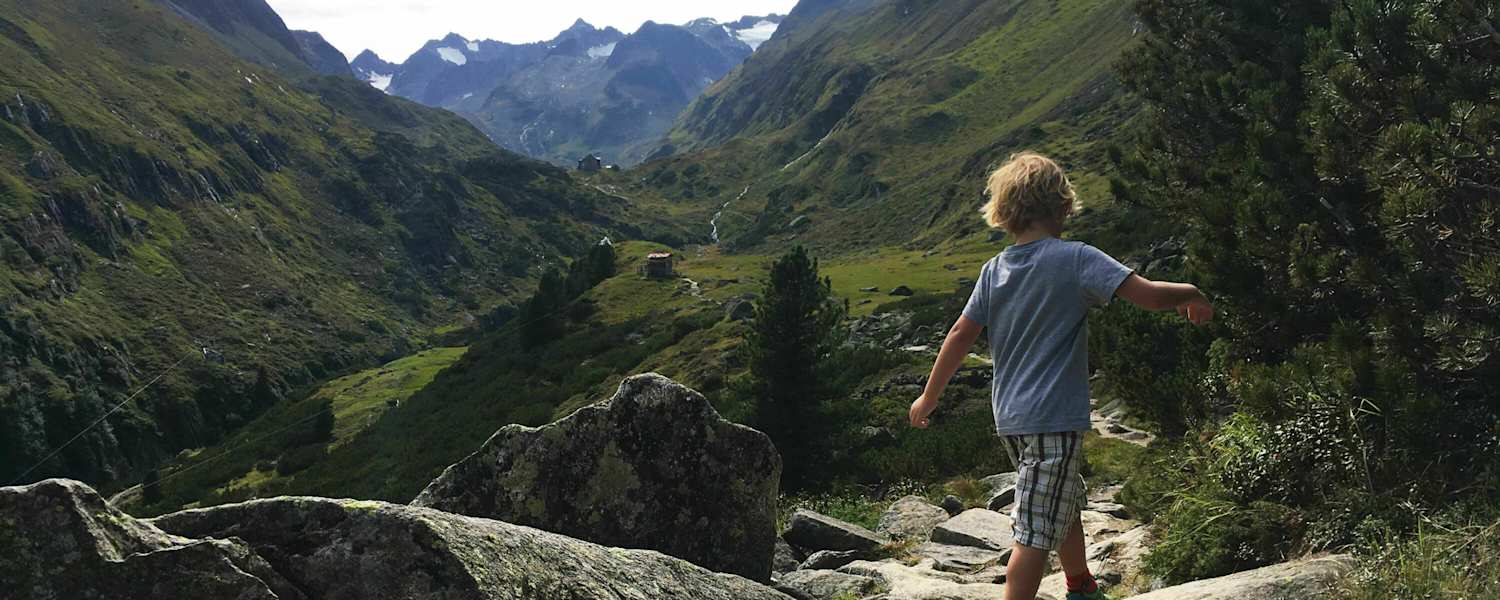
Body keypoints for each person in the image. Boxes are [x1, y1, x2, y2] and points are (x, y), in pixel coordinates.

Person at [908, 152, 1214, 600]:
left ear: (1005, 213)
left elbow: (960, 333)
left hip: (1010, 416)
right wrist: (1192, 292)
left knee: (1060, 499)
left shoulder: (994, 270)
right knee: (1034, 532)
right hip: (1053, 416)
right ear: (1063, 206)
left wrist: (928, 397)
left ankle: (1080, 585)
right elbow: (1147, 296)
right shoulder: (1075, 258)